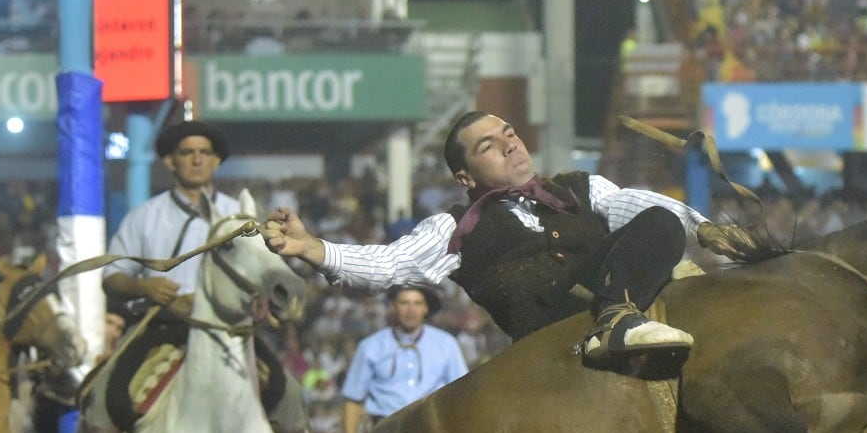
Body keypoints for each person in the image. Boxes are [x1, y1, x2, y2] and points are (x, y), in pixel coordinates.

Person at [263, 111, 708, 368]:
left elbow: (633, 205)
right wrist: (309, 247)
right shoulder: (455, 228)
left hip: (617, 294)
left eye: (510, 135)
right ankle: (614, 321)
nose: (511, 146)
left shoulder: (582, 187)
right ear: (464, 176)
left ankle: (630, 309)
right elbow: (391, 263)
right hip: (548, 335)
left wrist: (707, 229)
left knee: (662, 220)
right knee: (663, 231)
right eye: (489, 146)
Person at [77, 118, 325, 433]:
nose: (197, 158)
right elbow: (111, 276)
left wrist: (263, 301)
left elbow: (266, 271)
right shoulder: (145, 217)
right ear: (171, 162)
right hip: (163, 330)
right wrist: (143, 286)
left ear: (215, 161)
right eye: (188, 152)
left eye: (205, 152)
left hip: (230, 332)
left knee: (287, 393)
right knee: (104, 394)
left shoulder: (239, 215)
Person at [339, 284, 468, 433]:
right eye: (404, 303)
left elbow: (461, 396)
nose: (411, 310)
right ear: (393, 306)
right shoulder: (371, 347)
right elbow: (353, 400)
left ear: (425, 308)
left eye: (417, 303)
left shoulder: (446, 345)